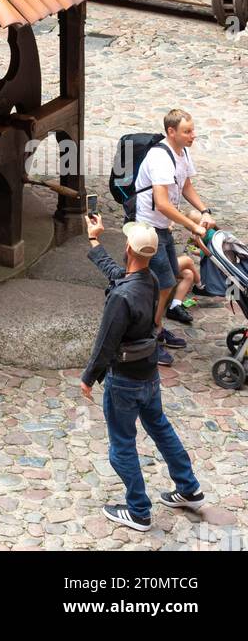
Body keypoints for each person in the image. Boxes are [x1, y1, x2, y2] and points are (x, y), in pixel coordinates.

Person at [81, 213, 205, 531]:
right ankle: (189, 488)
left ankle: (138, 510)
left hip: (124, 380)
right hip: (148, 374)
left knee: (122, 443)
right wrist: (93, 240)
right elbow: (118, 275)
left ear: (129, 249)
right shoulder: (147, 280)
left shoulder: (122, 298)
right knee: (160, 428)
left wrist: (89, 377)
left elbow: (105, 343)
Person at [134, 109, 213, 365]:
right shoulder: (160, 158)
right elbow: (162, 203)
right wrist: (193, 225)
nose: (193, 135)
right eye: (187, 131)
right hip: (149, 229)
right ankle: (149, 337)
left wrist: (204, 211)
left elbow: (186, 185)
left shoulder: (182, 152)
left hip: (163, 228)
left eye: (192, 130)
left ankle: (155, 328)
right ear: (172, 132)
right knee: (163, 283)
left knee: (167, 280)